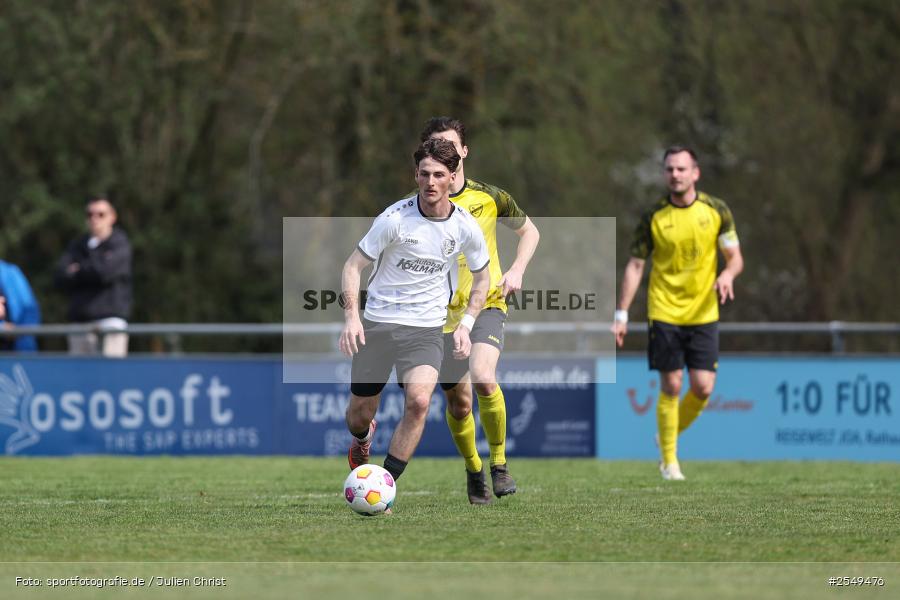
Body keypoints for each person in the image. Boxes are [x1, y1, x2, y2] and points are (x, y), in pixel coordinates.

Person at [341, 138, 491, 501]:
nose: (431, 182)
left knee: (420, 401)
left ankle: (384, 485)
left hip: (425, 329)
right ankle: (363, 438)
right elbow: (352, 266)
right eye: (424, 174)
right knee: (358, 416)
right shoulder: (393, 219)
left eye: (439, 174)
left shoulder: (465, 226)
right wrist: (352, 318)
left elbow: (483, 278)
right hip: (378, 325)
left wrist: (467, 325)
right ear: (416, 175)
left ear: (452, 177)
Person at [419, 117, 540, 504]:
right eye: (435, 147)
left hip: (486, 304)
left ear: (463, 153)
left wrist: (517, 270)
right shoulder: (419, 203)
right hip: (438, 316)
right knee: (460, 402)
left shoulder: (489, 197)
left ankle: (500, 465)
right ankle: (474, 470)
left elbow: (529, 231)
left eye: (449, 147)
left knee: (484, 377)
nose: (442, 155)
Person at [613, 146, 743, 480]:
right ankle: (670, 462)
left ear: (695, 173)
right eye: (670, 169)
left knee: (702, 387)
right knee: (671, 384)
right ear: (664, 175)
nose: (676, 175)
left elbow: (735, 257)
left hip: (703, 312)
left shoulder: (717, 210)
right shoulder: (654, 216)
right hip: (665, 310)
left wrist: (727, 274)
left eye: (682, 169)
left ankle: (666, 436)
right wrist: (622, 313)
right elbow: (636, 264)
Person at [55, 195, 132, 358]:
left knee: (111, 379)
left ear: (112, 217)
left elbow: (104, 273)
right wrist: (92, 268)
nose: (95, 219)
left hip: (109, 323)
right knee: (78, 381)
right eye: (90, 214)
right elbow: (61, 276)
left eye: (101, 214)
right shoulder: (77, 245)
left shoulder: (120, 243)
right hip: (80, 325)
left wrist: (78, 270)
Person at [0, 260, 41, 351]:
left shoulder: (11, 271)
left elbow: (30, 308)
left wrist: (19, 331)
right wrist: (2, 328)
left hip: (21, 348)